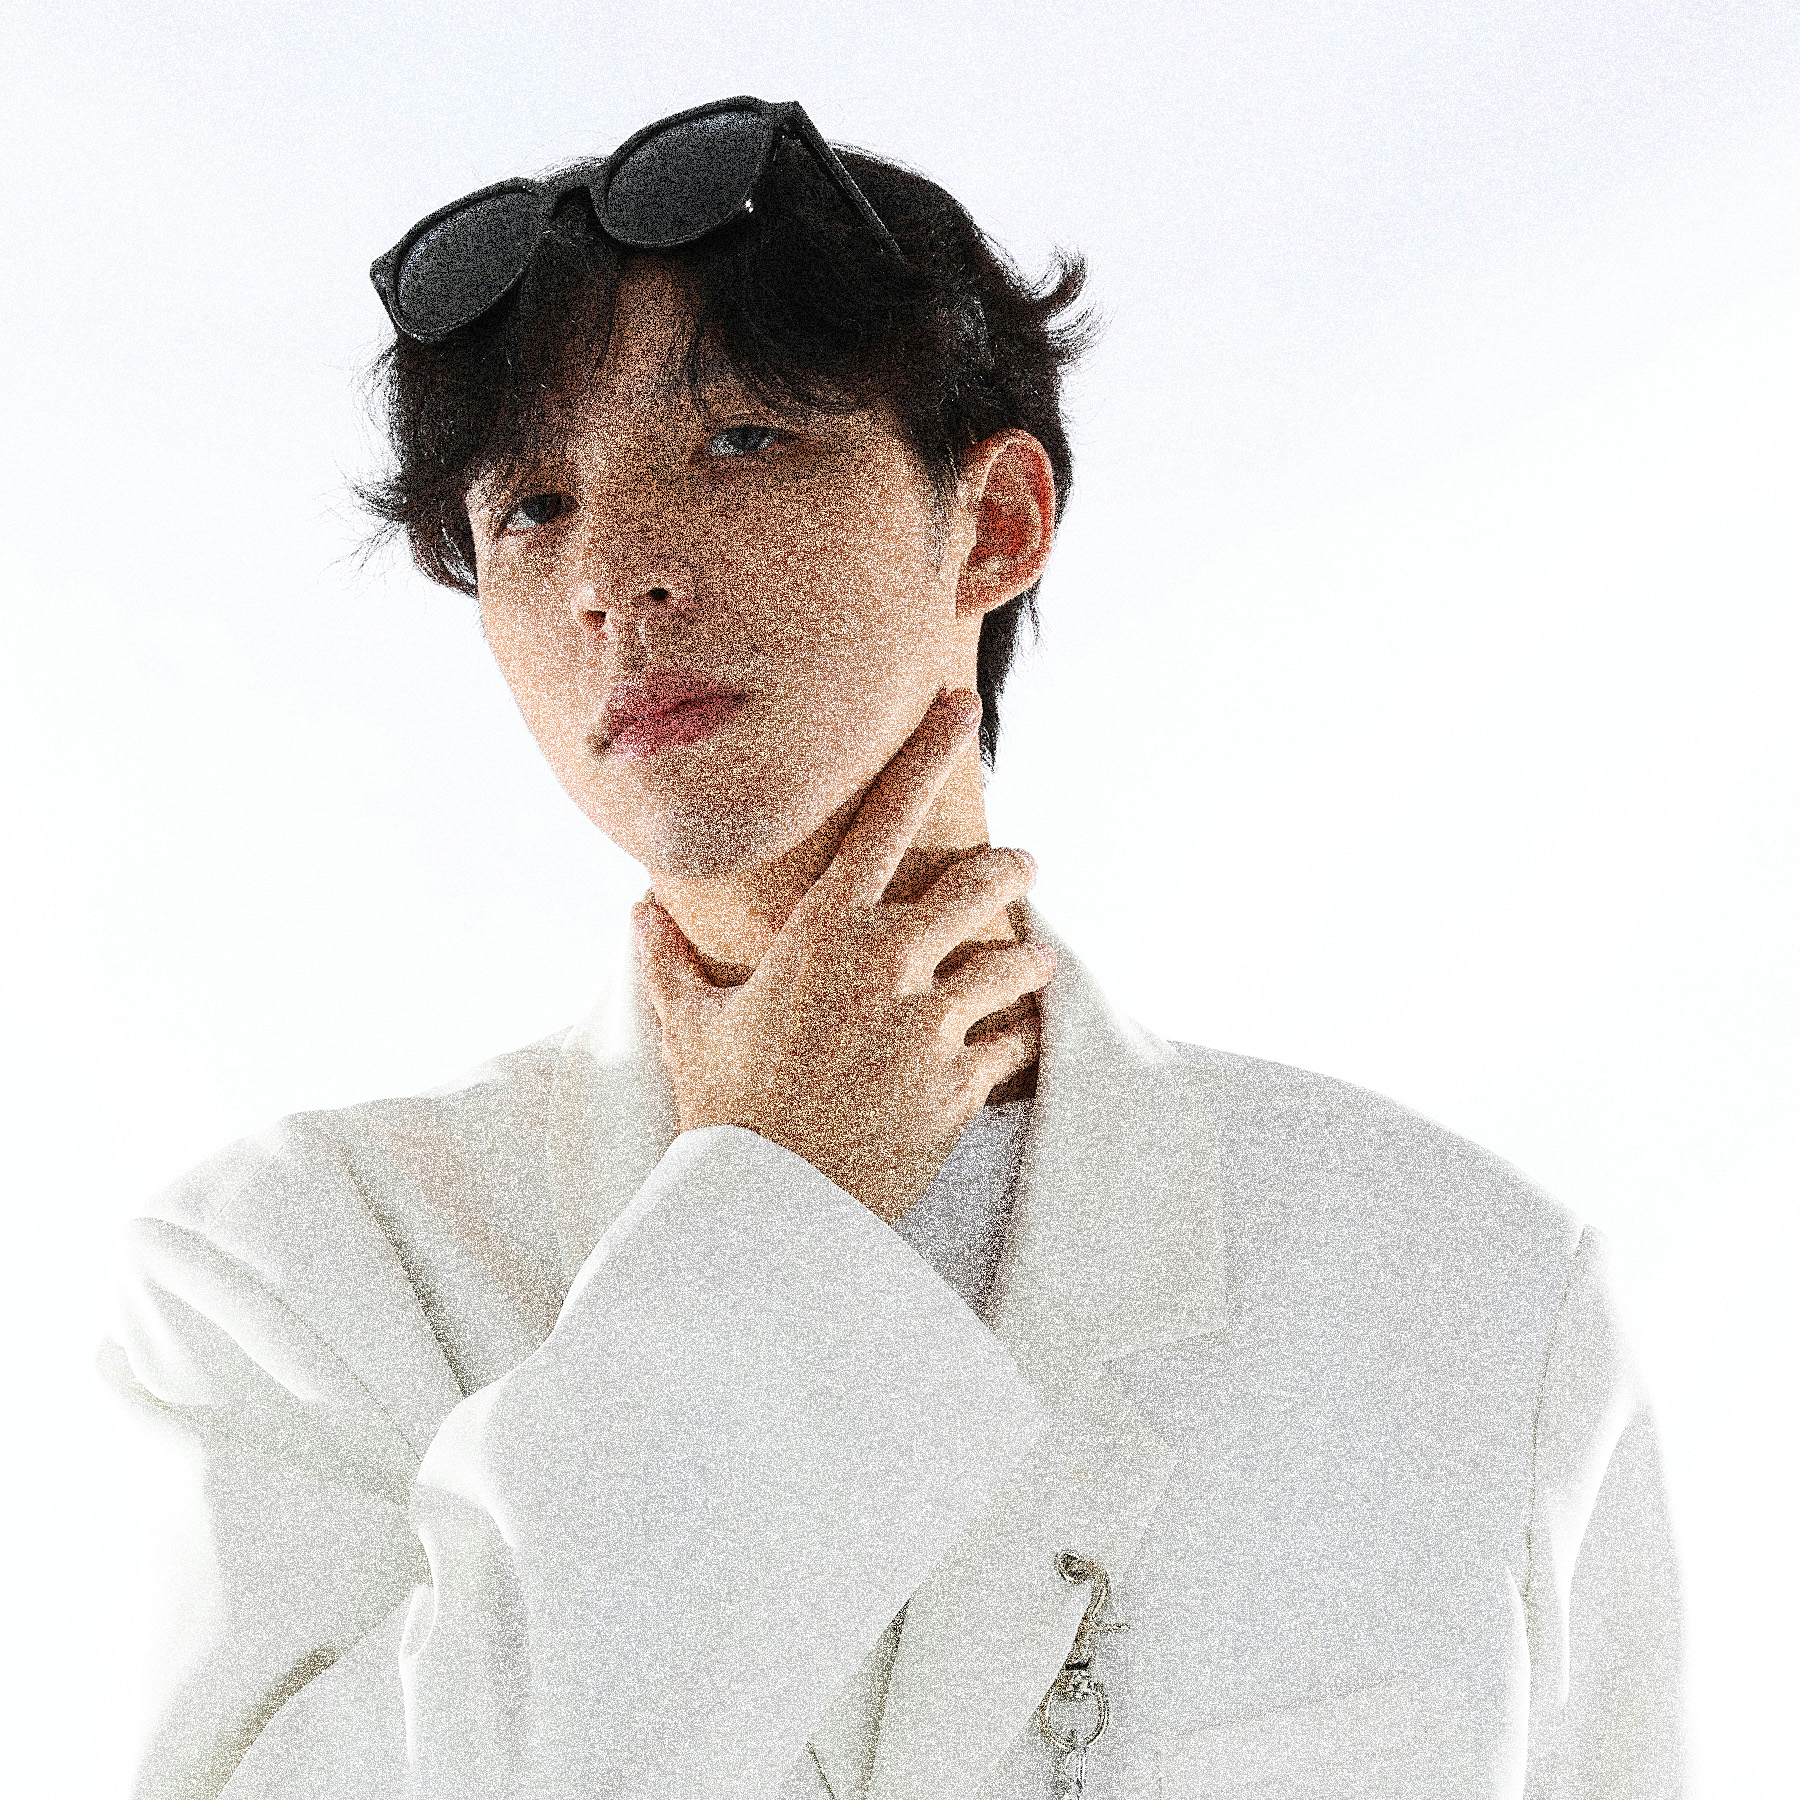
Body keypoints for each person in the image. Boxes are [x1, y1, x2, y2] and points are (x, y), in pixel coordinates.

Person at [97, 98, 1686, 1799]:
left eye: (739, 440)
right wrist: (773, 1206)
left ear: (994, 522)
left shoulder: (1464, 1291)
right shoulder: (296, 1272)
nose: (614, 575)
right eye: (532, 509)